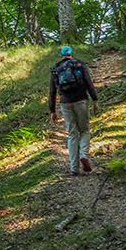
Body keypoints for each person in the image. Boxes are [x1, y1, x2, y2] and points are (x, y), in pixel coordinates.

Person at [49, 46, 100, 175]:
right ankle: (83, 155)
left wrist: (52, 110)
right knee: (84, 130)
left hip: (65, 102)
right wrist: (95, 100)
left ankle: (73, 168)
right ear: (72, 54)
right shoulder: (79, 64)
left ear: (61, 56)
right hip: (81, 100)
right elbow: (89, 82)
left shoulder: (56, 68)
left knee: (72, 134)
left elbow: (52, 91)